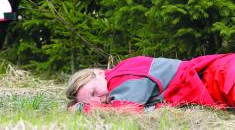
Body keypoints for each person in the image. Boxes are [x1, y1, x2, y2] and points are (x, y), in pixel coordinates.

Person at [66, 53, 235, 113]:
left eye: (93, 92)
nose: (98, 100)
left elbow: (126, 110)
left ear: (99, 73)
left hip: (218, 76)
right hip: (215, 82)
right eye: (91, 101)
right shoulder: (119, 77)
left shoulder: (119, 78)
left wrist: (84, 108)